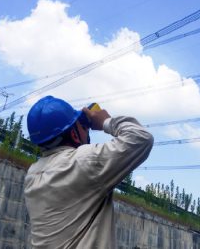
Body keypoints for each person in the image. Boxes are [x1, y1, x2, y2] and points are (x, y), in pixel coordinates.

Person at [24, 96, 154, 249]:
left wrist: (81, 124)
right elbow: (141, 138)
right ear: (73, 134)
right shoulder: (82, 163)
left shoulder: (32, 175)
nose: (86, 131)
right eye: (82, 126)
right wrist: (106, 121)